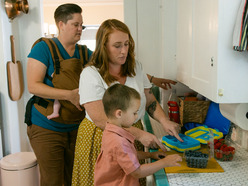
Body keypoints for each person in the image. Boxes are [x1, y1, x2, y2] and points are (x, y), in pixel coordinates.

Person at [72, 19, 182, 186]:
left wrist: (164, 120)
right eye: (117, 46)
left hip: (132, 135)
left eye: (126, 44)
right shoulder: (90, 74)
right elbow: (101, 119)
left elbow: (150, 100)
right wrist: (139, 135)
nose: (124, 51)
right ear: (104, 46)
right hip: (100, 137)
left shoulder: (136, 67)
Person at [25, 3, 93, 186]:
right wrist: (69, 95)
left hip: (76, 128)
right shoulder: (43, 48)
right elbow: (33, 86)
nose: (80, 29)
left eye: (82, 25)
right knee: (52, 181)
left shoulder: (85, 53)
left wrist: (149, 79)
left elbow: (113, 69)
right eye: (75, 24)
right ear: (61, 24)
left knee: (75, 179)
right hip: (46, 127)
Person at [94, 84, 182, 186]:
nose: (136, 117)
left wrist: (150, 155)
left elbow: (129, 156)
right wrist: (165, 162)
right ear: (119, 114)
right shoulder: (118, 142)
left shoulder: (110, 131)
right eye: (134, 113)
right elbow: (137, 172)